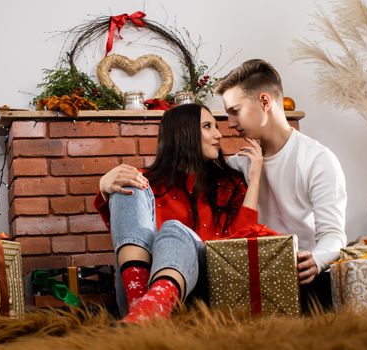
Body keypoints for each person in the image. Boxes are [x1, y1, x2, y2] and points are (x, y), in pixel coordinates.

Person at [94, 103, 263, 322]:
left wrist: (255, 180)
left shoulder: (228, 184)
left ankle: (149, 312)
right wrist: (104, 185)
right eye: (208, 126)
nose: (219, 135)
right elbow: (127, 231)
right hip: (140, 289)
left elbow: (240, 247)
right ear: (184, 132)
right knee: (129, 180)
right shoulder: (146, 183)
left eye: (216, 127)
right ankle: (143, 307)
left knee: (174, 229)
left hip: (201, 296)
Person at [214, 59, 347, 309]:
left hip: (305, 277)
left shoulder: (318, 159)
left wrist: (316, 260)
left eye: (235, 111)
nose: (230, 124)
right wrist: (114, 179)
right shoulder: (240, 165)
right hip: (252, 280)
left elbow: (333, 235)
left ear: (265, 102)